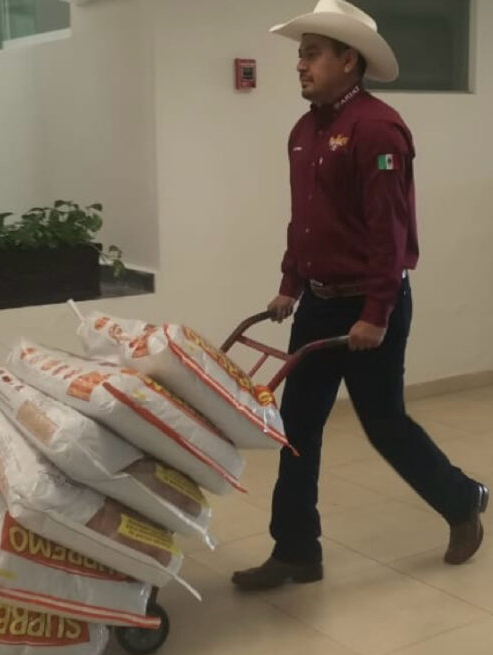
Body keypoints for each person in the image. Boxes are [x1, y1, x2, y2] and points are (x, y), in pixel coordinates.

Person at [232, 0, 488, 591]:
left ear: (349, 60)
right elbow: (306, 222)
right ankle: (296, 551)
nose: (300, 64)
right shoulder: (304, 132)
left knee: (382, 422)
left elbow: (388, 233)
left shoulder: (377, 128)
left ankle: (462, 501)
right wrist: (289, 285)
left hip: (371, 304)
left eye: (313, 54)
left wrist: (376, 313)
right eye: (300, 54)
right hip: (320, 301)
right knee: (296, 427)